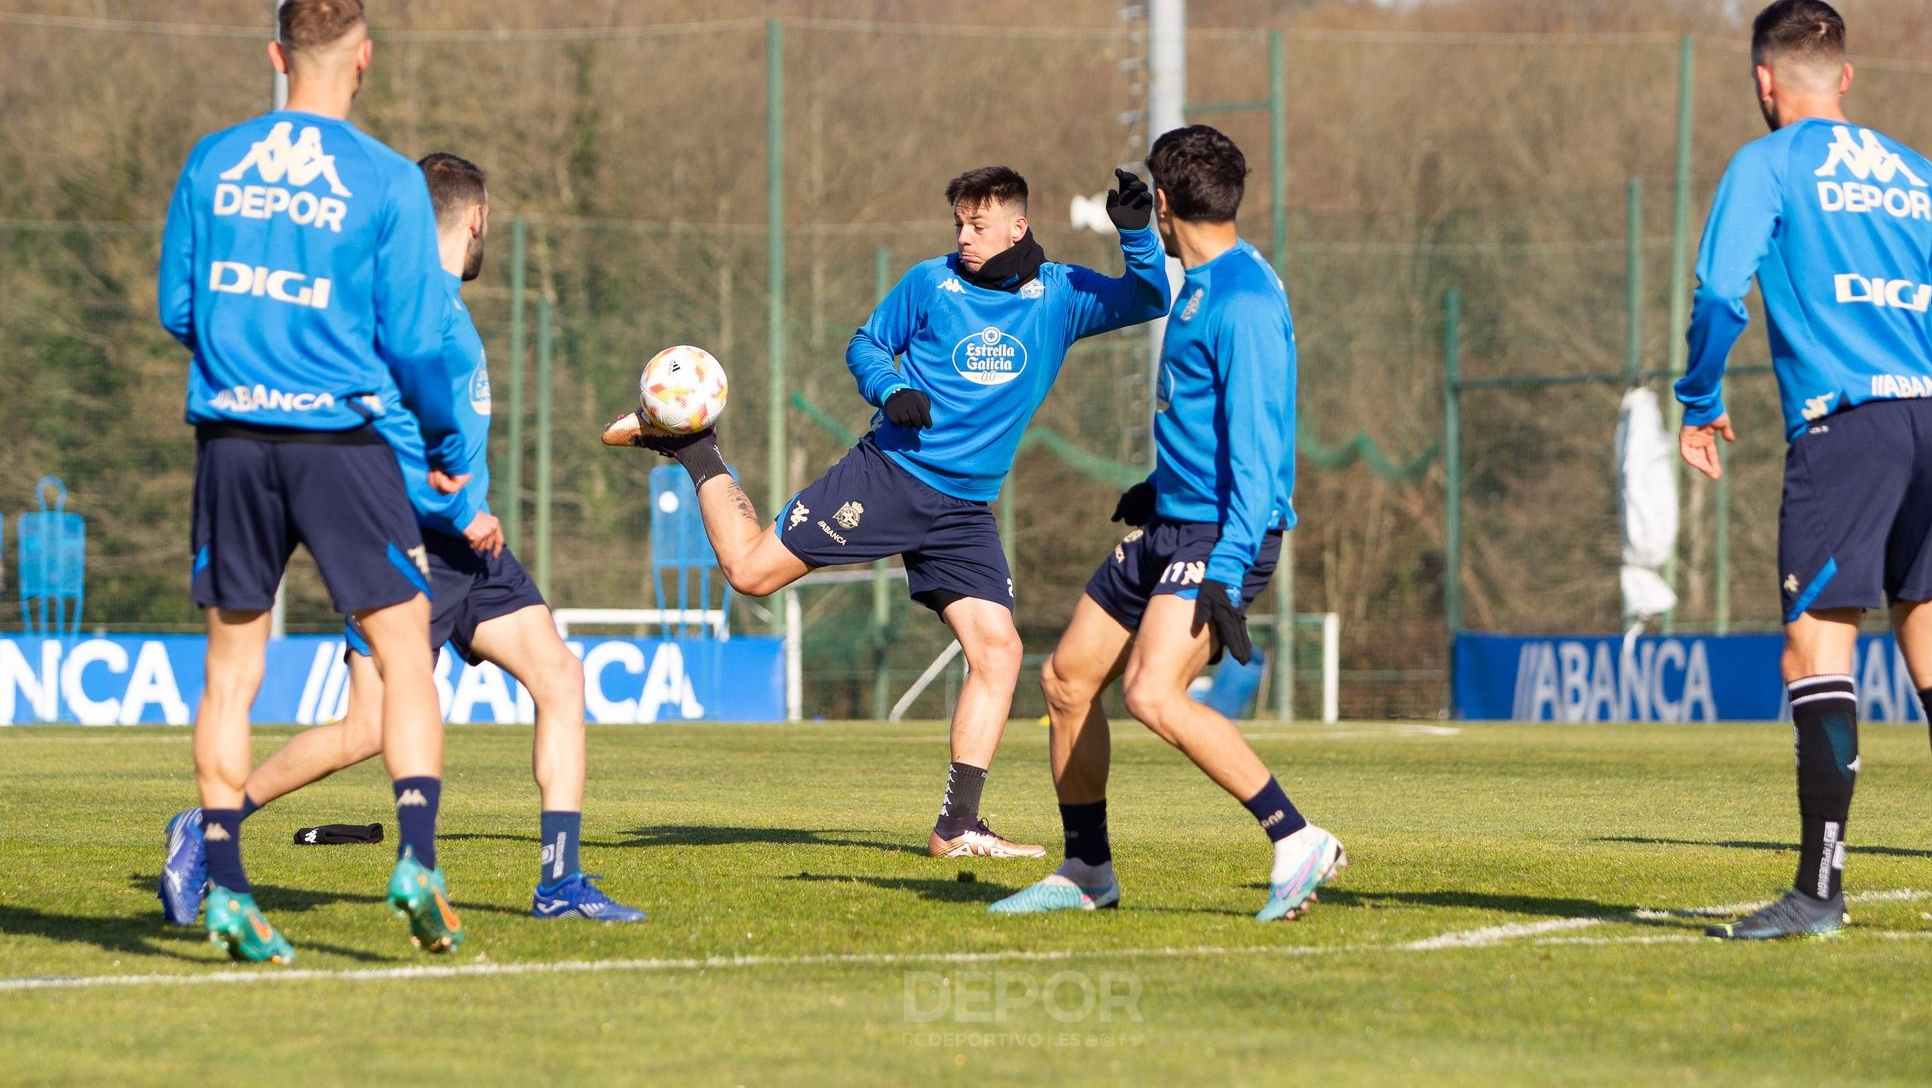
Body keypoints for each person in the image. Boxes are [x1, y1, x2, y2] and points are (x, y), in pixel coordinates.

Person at [606, 165, 1169, 858]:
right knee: (750, 572)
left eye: (978, 223)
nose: (963, 235)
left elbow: (1149, 296)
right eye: (959, 222)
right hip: (890, 477)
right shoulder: (931, 283)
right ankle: (695, 447)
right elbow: (865, 344)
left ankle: (957, 823)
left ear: (1018, 226)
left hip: (965, 508)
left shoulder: (1059, 296)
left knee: (999, 651)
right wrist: (891, 385)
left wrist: (1137, 233)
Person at [160, 152, 643, 925]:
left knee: (559, 677)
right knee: (365, 731)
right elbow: (378, 441)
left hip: (473, 555)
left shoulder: (438, 308)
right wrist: (459, 511)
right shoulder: (408, 317)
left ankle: (559, 881)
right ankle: (208, 822)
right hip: (400, 544)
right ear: (475, 218)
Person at [155, 0, 467, 961]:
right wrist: (449, 443)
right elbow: (420, 338)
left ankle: (231, 890)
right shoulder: (385, 180)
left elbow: (177, 308)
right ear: (364, 58)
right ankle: (416, 859)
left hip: (233, 441)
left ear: (274, 55)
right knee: (405, 651)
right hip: (340, 443)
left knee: (232, 672)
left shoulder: (213, 160)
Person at [1675, 0, 1932, 939]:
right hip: (1928, 417)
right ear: (1844, 76)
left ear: (1764, 83)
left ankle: (1819, 888)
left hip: (1844, 429)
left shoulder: (1767, 163)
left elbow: (1719, 292)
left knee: (1815, 649)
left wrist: (1698, 399)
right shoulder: (1918, 173)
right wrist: (1914, 389)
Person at [990, 125, 1344, 922]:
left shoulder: (1245, 301)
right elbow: (1204, 413)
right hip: (1176, 522)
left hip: (1223, 532)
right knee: (1067, 678)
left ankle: (1296, 838)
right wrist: (1159, 486)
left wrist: (1227, 569)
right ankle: (1087, 870)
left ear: (1163, 200)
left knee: (1154, 689)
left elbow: (1257, 451)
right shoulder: (1205, 277)